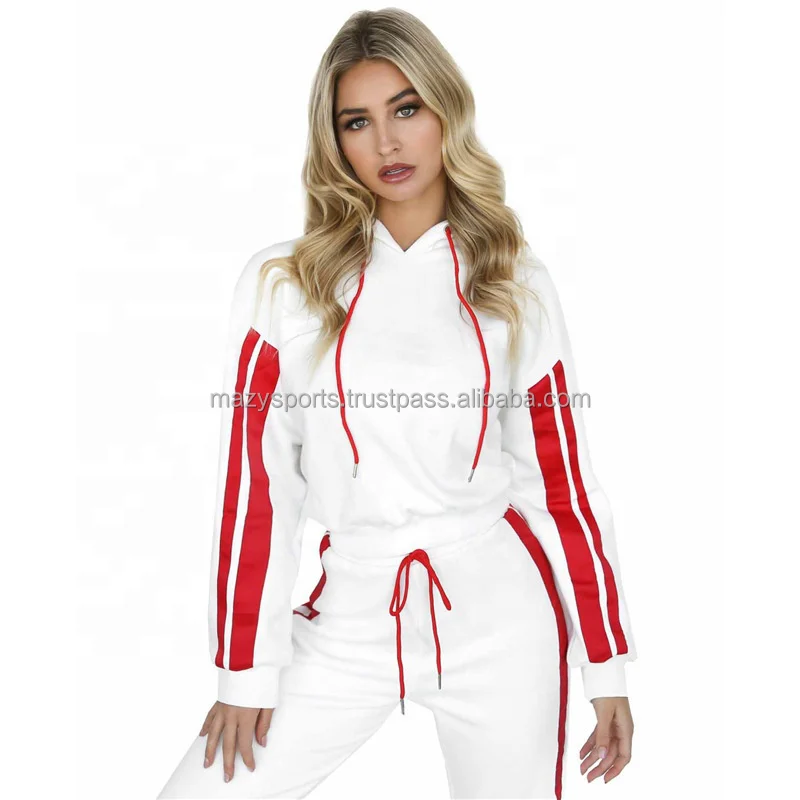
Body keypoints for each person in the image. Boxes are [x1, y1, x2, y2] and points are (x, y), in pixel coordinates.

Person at [157, 8, 637, 799]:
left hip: (502, 620)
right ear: (335, 141)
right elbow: (256, 488)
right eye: (358, 121)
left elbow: (562, 484)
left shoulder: (514, 279)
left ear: (446, 110)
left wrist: (606, 664)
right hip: (351, 611)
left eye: (406, 109)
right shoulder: (286, 285)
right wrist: (245, 671)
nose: (386, 142)